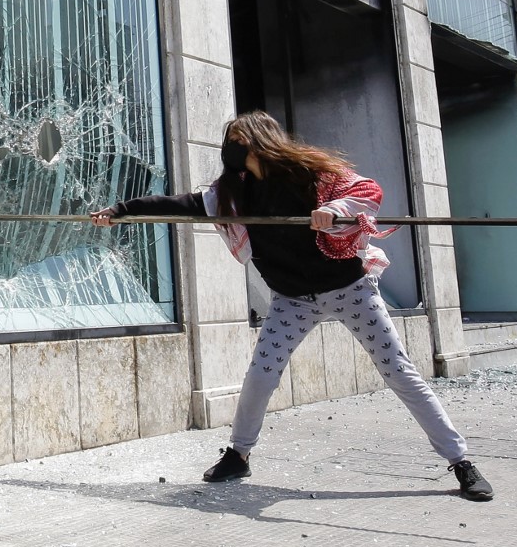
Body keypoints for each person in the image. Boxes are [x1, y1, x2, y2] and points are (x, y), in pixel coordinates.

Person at [90, 110, 494, 501]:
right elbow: (177, 205)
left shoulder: (312, 176)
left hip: (349, 289)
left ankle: (460, 462)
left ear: (259, 141)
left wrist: (334, 211)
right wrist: (121, 212)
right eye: (228, 142)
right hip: (291, 301)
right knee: (260, 377)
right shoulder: (230, 194)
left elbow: (367, 191)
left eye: (237, 140)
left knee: (400, 373)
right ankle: (239, 455)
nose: (229, 148)